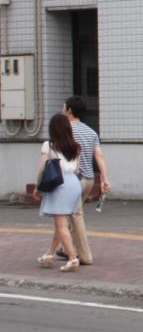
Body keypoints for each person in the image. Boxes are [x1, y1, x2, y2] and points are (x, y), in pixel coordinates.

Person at [61, 96, 109, 266]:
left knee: (74, 215)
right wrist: (104, 178)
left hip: (73, 179)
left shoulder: (66, 130)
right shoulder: (91, 131)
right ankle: (65, 247)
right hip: (89, 180)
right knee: (68, 214)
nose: (62, 109)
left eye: (63, 106)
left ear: (69, 110)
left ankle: (84, 255)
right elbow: (99, 156)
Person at [35, 113, 83, 272]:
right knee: (60, 222)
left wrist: (37, 185)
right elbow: (77, 169)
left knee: (61, 224)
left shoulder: (48, 145)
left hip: (59, 184)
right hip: (74, 183)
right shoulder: (75, 146)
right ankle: (49, 254)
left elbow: (42, 168)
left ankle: (72, 259)